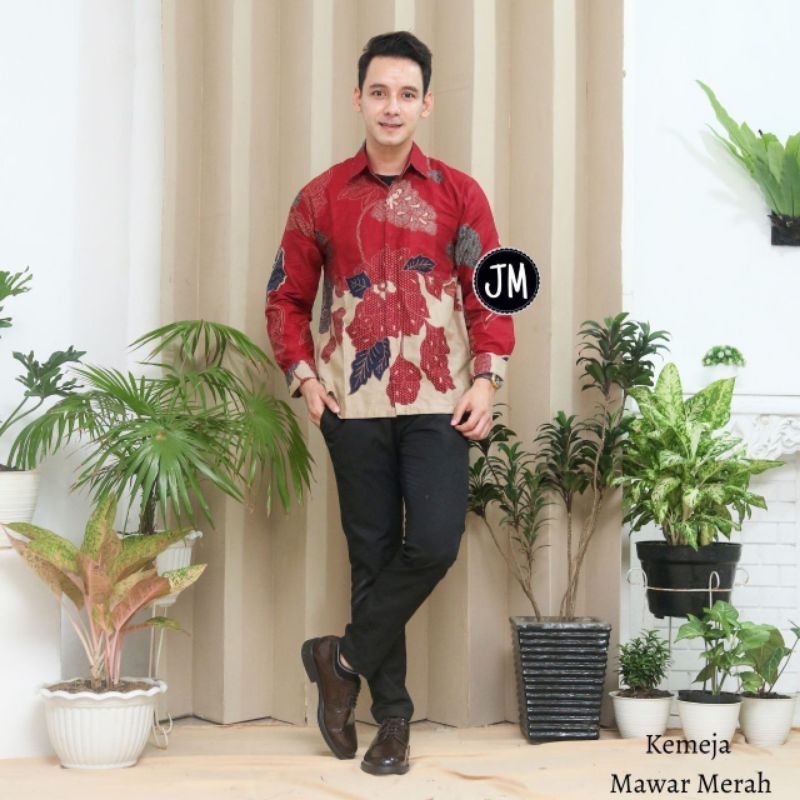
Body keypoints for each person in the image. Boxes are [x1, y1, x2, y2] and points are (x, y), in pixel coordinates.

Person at [265, 30, 514, 776]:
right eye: (379, 92)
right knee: (371, 558)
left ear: (426, 103)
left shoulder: (460, 194)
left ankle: (338, 659)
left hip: (442, 400)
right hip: (351, 404)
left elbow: (490, 291)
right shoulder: (320, 197)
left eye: (407, 93)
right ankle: (394, 721)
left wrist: (486, 378)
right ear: (358, 99)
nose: (392, 107)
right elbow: (286, 297)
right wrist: (306, 380)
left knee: (433, 543)